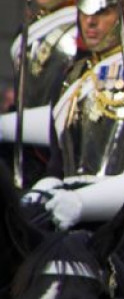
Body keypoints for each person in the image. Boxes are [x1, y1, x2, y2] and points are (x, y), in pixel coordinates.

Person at [22, 0, 124, 248]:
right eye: (85, 11)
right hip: (64, 217)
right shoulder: (70, 78)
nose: (90, 21)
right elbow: (60, 164)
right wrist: (41, 192)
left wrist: (83, 202)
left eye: (103, 12)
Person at [1, 0, 79, 187]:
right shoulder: (33, 27)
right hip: (23, 149)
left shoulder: (83, 33)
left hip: (60, 158)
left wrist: (5, 125)